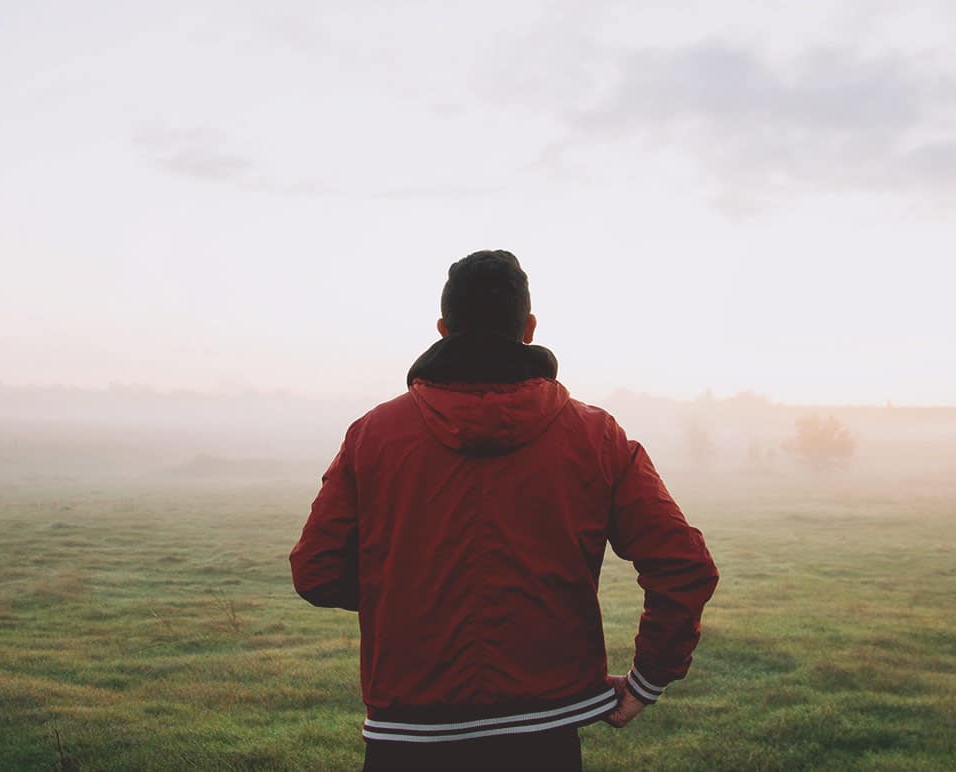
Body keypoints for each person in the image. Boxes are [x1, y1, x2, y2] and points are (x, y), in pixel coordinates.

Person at [290, 250, 719, 771]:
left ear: (444, 329)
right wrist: (648, 679)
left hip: (407, 735)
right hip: (545, 736)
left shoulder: (371, 435)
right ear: (530, 328)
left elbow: (315, 572)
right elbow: (683, 564)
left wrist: (409, 592)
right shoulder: (596, 436)